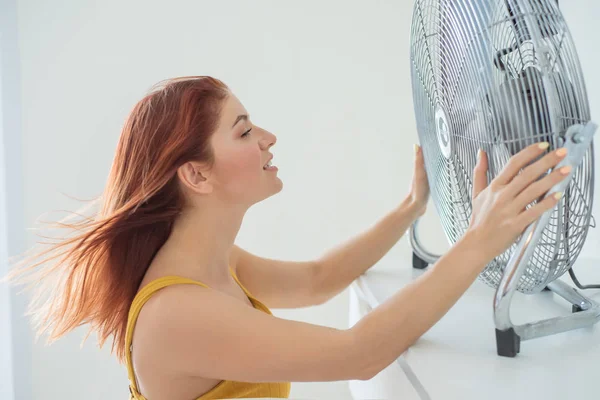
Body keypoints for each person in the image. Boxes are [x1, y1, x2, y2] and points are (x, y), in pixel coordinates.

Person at [5, 76, 571, 400]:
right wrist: (479, 238)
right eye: (245, 130)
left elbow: (318, 280)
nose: (269, 138)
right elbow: (361, 353)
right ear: (195, 175)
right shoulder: (176, 312)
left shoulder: (209, 264)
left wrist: (411, 207)